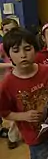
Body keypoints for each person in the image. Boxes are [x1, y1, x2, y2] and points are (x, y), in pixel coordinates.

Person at [0, 27, 48, 159]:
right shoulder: (7, 84)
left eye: (27, 49)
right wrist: (23, 116)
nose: (23, 55)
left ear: (35, 50)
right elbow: (4, 112)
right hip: (34, 135)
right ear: (8, 55)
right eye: (16, 51)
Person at [0, 18, 19, 149]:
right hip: (7, 81)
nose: (9, 33)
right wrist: (10, 64)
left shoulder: (22, 45)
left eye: (12, 30)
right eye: (6, 30)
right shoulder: (2, 47)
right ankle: (12, 136)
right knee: (10, 110)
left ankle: (14, 134)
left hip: (20, 80)